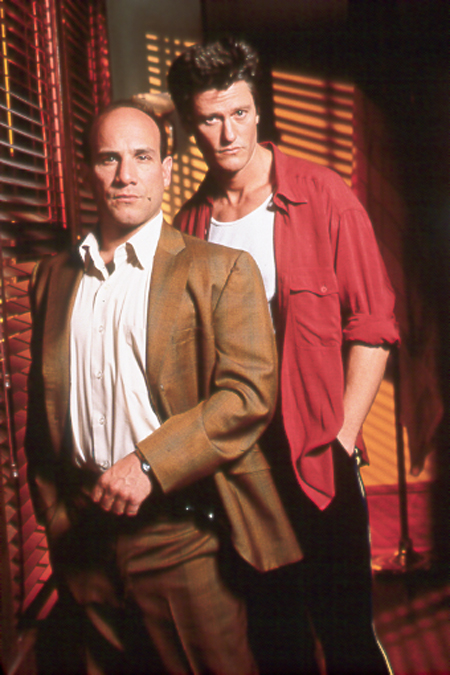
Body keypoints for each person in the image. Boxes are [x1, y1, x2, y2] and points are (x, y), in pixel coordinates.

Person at [24, 100, 303, 675]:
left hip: (181, 535)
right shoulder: (52, 276)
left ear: (167, 169)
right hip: (83, 537)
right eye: (109, 159)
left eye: (142, 157)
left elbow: (247, 395)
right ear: (87, 170)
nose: (126, 175)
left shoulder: (221, 270)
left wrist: (149, 464)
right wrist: (55, 515)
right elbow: (41, 405)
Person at [168, 37, 399, 675]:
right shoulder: (189, 225)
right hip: (238, 463)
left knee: (347, 638)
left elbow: (373, 325)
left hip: (318, 451)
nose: (228, 134)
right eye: (210, 119)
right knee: (275, 641)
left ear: (258, 110)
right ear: (190, 124)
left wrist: (342, 437)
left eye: (239, 113)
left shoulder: (323, 196)